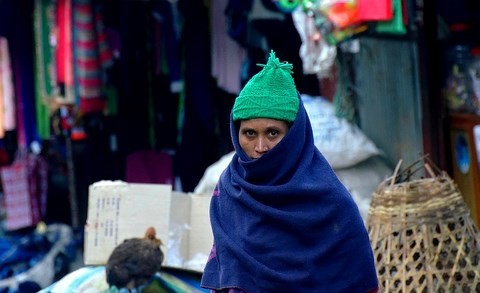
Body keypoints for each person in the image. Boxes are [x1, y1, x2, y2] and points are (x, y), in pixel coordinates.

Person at [200, 50, 378, 293]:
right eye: (249, 133)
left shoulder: (331, 201)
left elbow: (358, 281)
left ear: (295, 136)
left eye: (273, 133)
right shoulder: (230, 189)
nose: (260, 147)